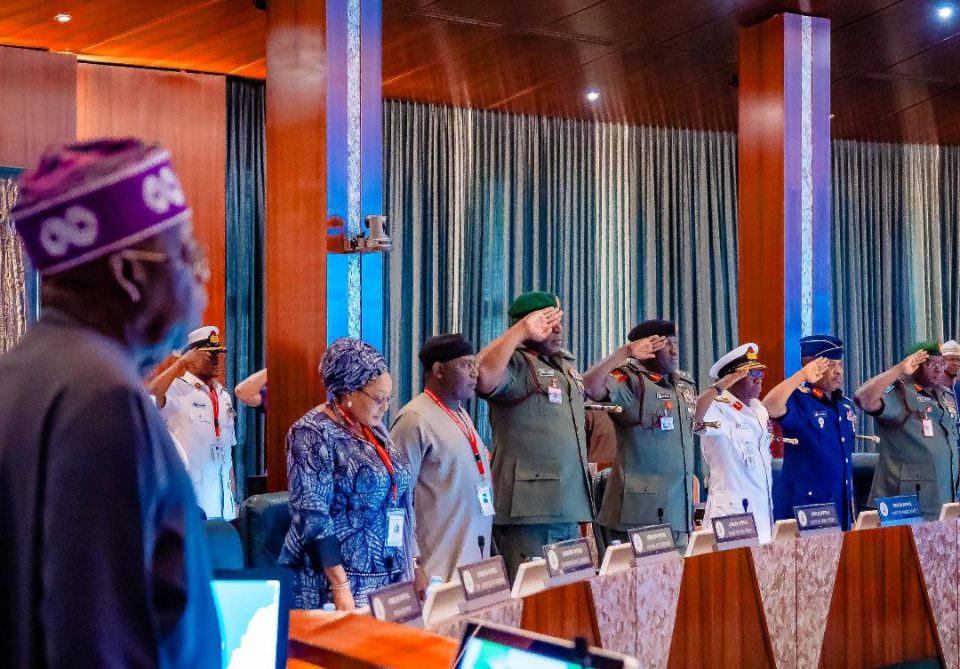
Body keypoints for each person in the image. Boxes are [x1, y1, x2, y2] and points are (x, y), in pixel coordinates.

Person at [0, 138, 221, 667]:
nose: (201, 279)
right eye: (186, 255)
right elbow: (98, 636)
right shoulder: (105, 398)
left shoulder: (19, 374)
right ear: (129, 274)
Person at [279, 338, 418, 610]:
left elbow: (398, 496)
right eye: (378, 398)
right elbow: (313, 516)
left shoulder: (373, 429)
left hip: (386, 575)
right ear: (348, 392)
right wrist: (340, 586)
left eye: (388, 398)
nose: (385, 406)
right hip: (334, 586)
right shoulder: (311, 433)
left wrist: (415, 564)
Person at [475, 291, 593, 580]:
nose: (558, 329)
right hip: (530, 511)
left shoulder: (564, 365)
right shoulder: (514, 363)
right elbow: (482, 377)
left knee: (566, 594)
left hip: (567, 505)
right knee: (532, 594)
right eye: (548, 322)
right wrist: (520, 331)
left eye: (559, 321)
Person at [582, 319, 699, 545]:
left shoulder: (683, 383)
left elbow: (694, 421)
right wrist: (626, 352)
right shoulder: (630, 381)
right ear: (647, 349)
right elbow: (589, 386)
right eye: (665, 344)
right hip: (639, 514)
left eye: (675, 343)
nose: (674, 350)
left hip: (678, 512)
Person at [391, 334, 492, 583]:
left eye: (475, 365)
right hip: (435, 570)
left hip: (472, 564)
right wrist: (413, 563)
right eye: (466, 365)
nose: (475, 373)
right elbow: (396, 498)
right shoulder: (414, 419)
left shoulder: (461, 415)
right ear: (439, 370)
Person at [855, 342, 960, 519]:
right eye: (930, 363)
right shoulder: (899, 392)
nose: (938, 369)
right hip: (906, 503)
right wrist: (899, 370)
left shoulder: (945, 396)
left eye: (941, 363)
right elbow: (863, 399)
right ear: (915, 364)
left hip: (942, 498)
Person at [763, 336, 856, 530]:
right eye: (831, 365)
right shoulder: (799, 400)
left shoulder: (844, 405)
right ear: (812, 366)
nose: (839, 371)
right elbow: (769, 407)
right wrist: (802, 376)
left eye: (840, 364)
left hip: (841, 506)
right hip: (807, 509)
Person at [149, 326, 238, 521]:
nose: (216, 360)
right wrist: (180, 362)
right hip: (193, 501)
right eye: (208, 355)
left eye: (218, 354)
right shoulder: (175, 389)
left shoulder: (223, 396)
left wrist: (233, 496)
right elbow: (151, 394)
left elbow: (227, 452)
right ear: (190, 359)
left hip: (224, 505)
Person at [693, 344, 774, 543]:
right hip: (731, 516)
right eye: (751, 373)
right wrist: (720, 386)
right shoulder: (717, 407)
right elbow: (691, 416)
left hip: (762, 512)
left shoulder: (759, 410)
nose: (759, 378)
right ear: (733, 378)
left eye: (760, 372)